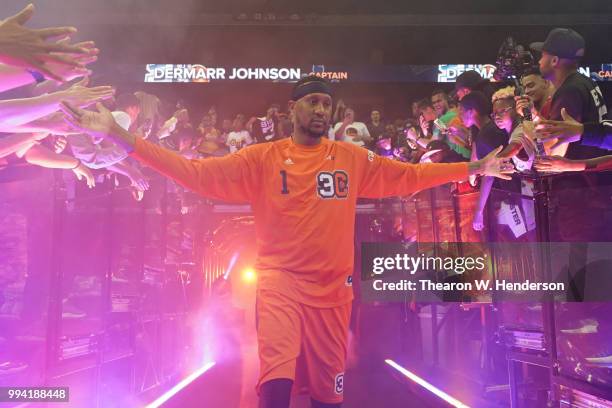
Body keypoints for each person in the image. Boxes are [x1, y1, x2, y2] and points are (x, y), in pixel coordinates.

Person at [60, 75, 513, 408]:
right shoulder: (262, 158)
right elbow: (195, 173)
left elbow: (411, 176)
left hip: (334, 292)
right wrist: (122, 137)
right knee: (274, 384)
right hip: (279, 282)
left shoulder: (351, 159)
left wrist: (474, 169)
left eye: (327, 103)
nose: (320, 110)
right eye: (312, 101)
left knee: (328, 396)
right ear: (292, 108)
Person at [458, 91, 508, 231]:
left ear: (471, 112)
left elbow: (490, 175)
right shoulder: (487, 130)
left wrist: (478, 211)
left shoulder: (486, 135)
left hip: (507, 195)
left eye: (461, 111)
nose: (459, 116)